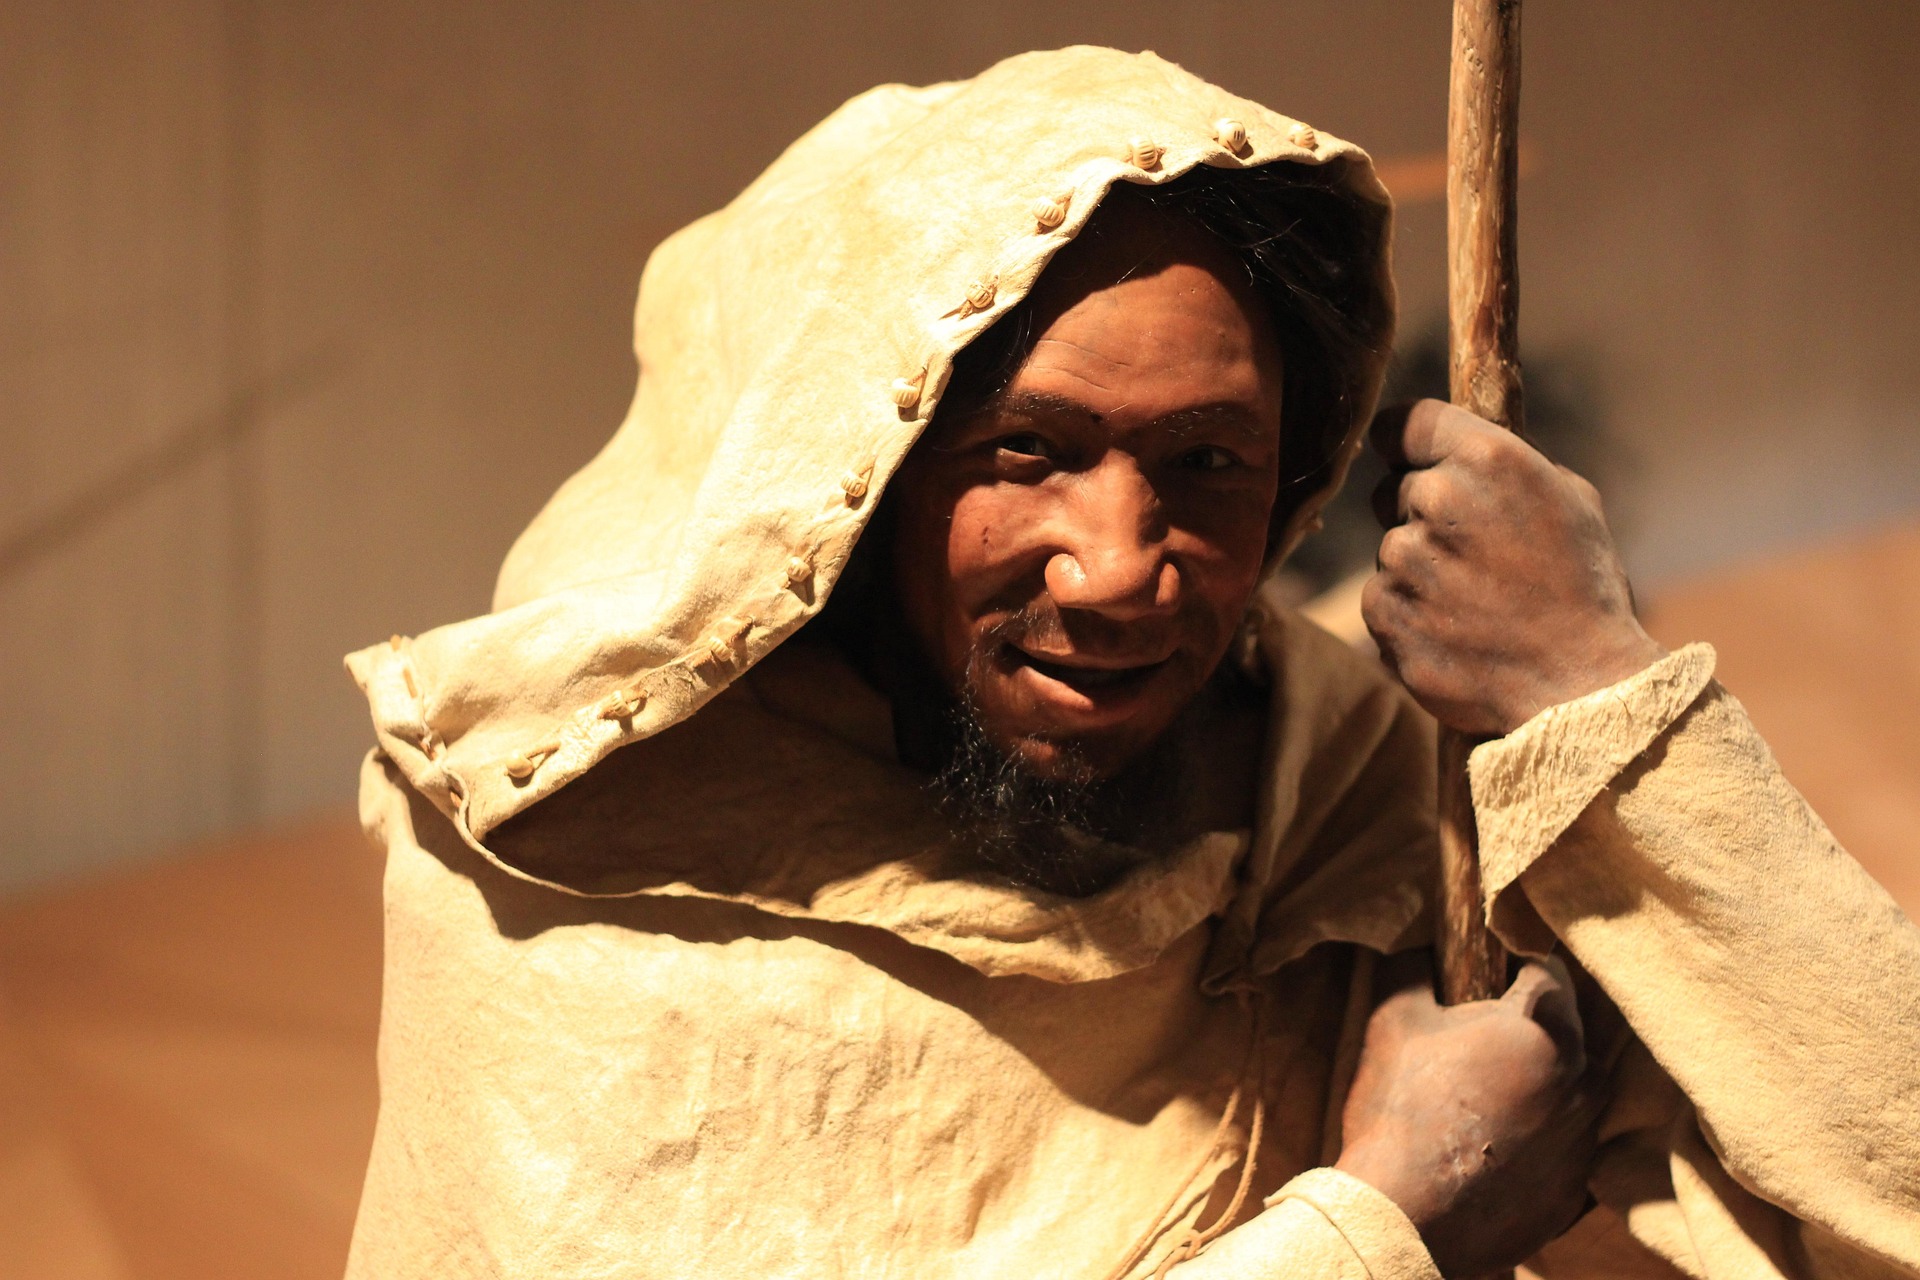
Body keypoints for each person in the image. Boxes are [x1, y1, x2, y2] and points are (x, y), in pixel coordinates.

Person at [344, 47, 1920, 1279]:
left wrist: (1597, 699)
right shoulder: (571, 860)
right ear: (849, 486)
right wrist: (1385, 1226)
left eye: (1212, 462)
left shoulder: (1351, 784)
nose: (1117, 571)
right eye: (1027, 453)